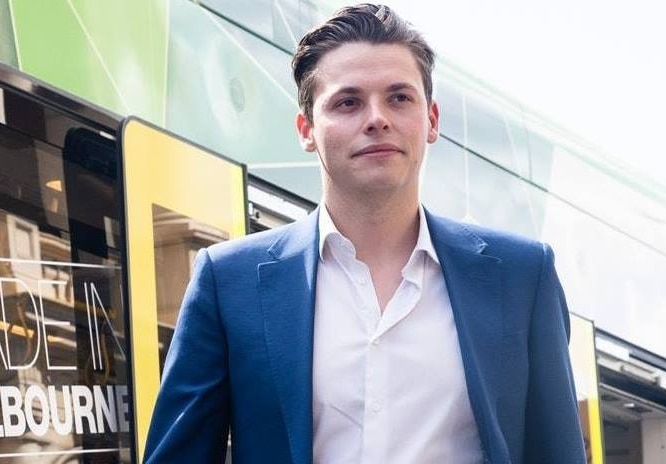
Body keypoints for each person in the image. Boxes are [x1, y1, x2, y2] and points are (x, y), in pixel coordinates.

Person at [143, 4, 586, 463]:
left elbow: (557, 453)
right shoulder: (227, 282)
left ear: (431, 120)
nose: (377, 118)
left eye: (399, 98)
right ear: (306, 129)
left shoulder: (521, 276)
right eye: (347, 102)